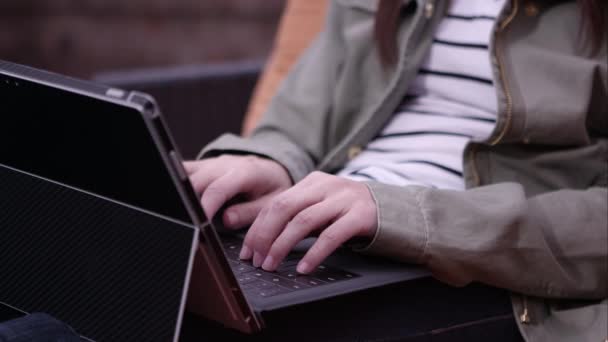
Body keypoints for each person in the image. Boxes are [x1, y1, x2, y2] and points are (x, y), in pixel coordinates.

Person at [184, 0, 607, 341]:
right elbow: (299, 121)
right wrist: (268, 161)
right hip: (331, 225)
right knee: (157, 272)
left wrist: (404, 215)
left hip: (478, 269)